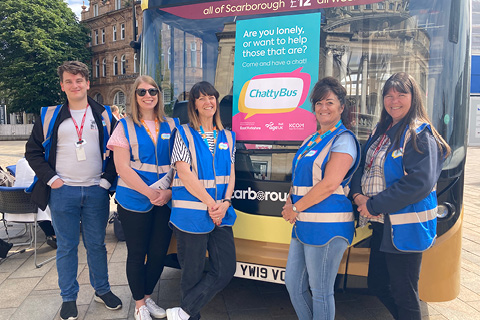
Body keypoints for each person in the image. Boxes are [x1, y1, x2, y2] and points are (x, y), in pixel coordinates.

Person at [25, 61, 122, 320]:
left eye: (79, 80)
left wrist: (106, 180)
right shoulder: (48, 116)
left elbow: (118, 151)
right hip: (62, 191)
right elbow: (32, 152)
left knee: (97, 246)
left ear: (88, 83)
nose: (74, 85)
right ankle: (68, 298)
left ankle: (102, 289)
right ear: (62, 86)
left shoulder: (103, 115)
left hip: (95, 191)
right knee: (66, 247)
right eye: (69, 81)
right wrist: (50, 178)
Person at [350, 72, 450, 320]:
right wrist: (356, 195)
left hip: (406, 228)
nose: (394, 100)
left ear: (413, 97)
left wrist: (373, 204)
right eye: (389, 95)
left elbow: (419, 183)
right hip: (383, 225)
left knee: (404, 293)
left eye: (401, 94)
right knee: (377, 284)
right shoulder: (382, 129)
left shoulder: (419, 133)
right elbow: (363, 165)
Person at [281, 77, 360, 320]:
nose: (323, 108)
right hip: (304, 224)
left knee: (321, 292)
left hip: (328, 227)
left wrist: (296, 207)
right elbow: (300, 178)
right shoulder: (311, 139)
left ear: (341, 107)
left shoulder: (343, 139)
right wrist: (289, 201)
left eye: (330, 102)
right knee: (292, 285)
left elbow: (329, 184)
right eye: (318, 103)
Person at [108, 75, 179, 320]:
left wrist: (168, 192)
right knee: (137, 253)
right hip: (135, 198)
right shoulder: (123, 126)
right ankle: (139, 304)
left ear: (158, 96)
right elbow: (122, 168)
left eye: (153, 91)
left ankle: (148, 296)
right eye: (142, 92)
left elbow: (181, 163)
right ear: (134, 97)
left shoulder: (173, 124)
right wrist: (150, 193)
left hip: (166, 198)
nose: (148, 95)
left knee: (159, 252)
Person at [167, 81, 236, 320]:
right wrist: (211, 204)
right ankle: (190, 316)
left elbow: (231, 173)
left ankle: (183, 312)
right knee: (192, 274)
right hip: (191, 215)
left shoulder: (228, 135)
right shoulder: (183, 133)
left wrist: (225, 202)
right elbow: (184, 173)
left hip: (221, 214)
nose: (208, 102)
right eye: (202, 98)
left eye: (212, 97)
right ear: (194, 105)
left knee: (226, 269)